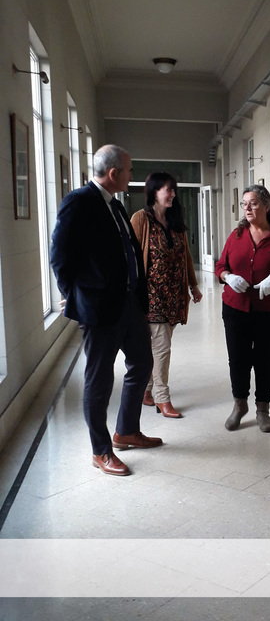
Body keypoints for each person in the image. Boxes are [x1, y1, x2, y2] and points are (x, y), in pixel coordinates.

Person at [50, 144, 162, 477]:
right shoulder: (79, 202)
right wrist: (75, 296)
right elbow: (59, 256)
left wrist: (139, 300)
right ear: (113, 173)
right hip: (98, 309)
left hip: (128, 303)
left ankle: (126, 430)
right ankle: (101, 451)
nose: (131, 177)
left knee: (142, 363)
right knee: (98, 381)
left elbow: (126, 255)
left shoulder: (114, 206)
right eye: (128, 171)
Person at [215, 185, 270, 432]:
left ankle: (262, 408)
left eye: (253, 203)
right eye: (244, 203)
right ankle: (240, 405)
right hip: (236, 308)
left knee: (264, 359)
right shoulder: (236, 236)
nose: (247, 208)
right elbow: (220, 266)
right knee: (237, 359)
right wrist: (227, 276)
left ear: (267, 206)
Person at [130, 172, 202, 419]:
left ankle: (147, 390)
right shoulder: (140, 219)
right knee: (162, 348)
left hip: (173, 295)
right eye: (166, 189)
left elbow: (186, 257)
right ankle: (162, 397)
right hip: (150, 296)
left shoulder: (175, 219)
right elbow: (130, 256)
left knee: (156, 346)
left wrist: (193, 285)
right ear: (153, 192)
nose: (172, 193)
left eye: (173, 189)